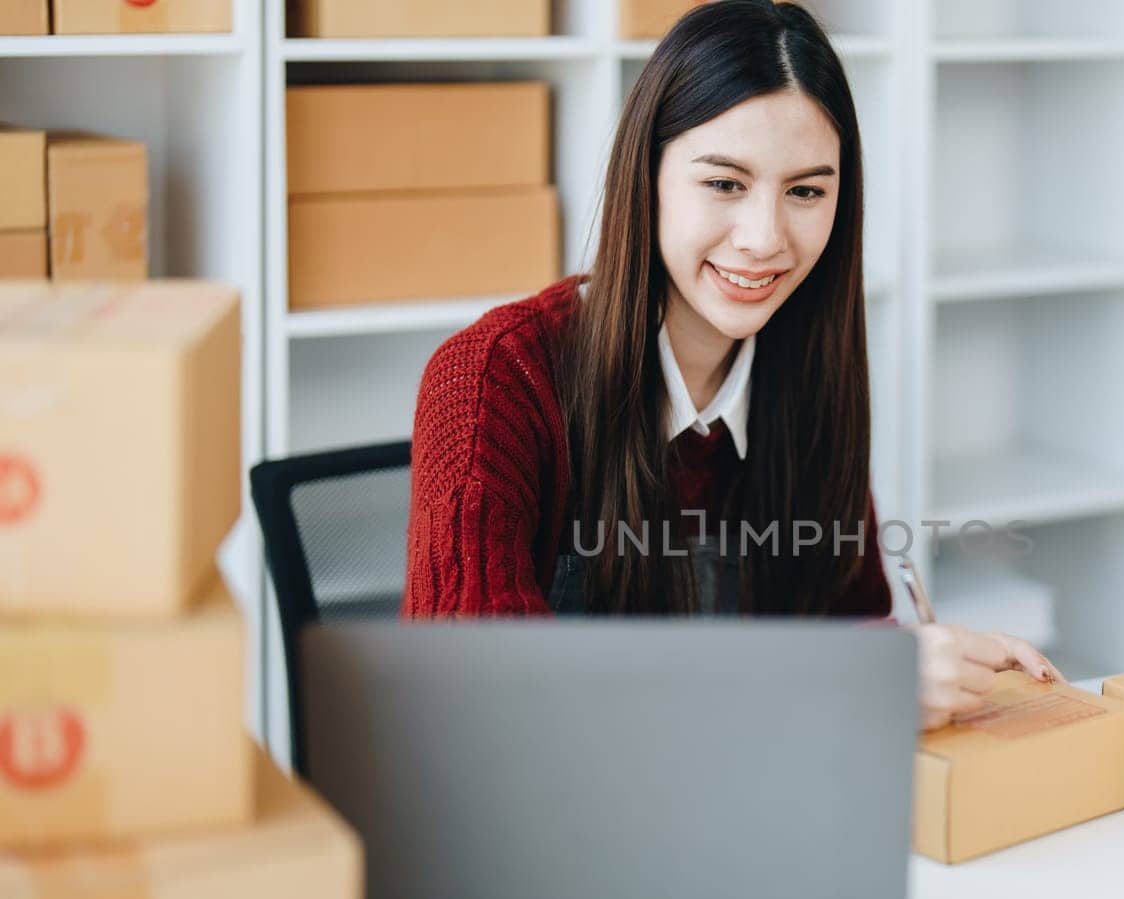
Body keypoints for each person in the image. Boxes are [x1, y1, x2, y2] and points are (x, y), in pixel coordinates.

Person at [402, 0, 1063, 729]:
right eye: (724, 183)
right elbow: (469, 706)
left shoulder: (811, 371)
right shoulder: (495, 379)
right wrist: (847, 683)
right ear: (646, 176)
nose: (764, 238)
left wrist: (918, 667)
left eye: (807, 191)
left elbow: (846, 628)